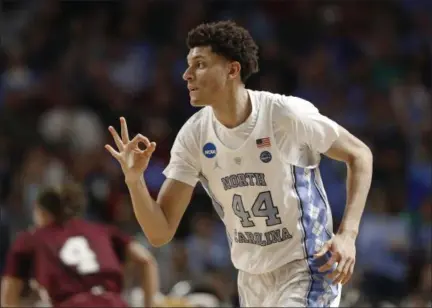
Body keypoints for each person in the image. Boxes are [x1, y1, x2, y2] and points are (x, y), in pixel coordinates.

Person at [105, 20, 373, 307]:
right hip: (251, 277)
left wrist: (347, 235)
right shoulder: (194, 135)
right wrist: (134, 181)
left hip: (307, 266)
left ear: (232, 70)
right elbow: (160, 233)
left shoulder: (284, 115)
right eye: (188, 65)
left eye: (200, 64)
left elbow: (359, 154)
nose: (186, 75)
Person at [1, 183, 159, 308]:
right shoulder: (102, 230)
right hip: (114, 302)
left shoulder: (31, 238)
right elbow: (146, 260)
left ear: (42, 212)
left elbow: (9, 297)